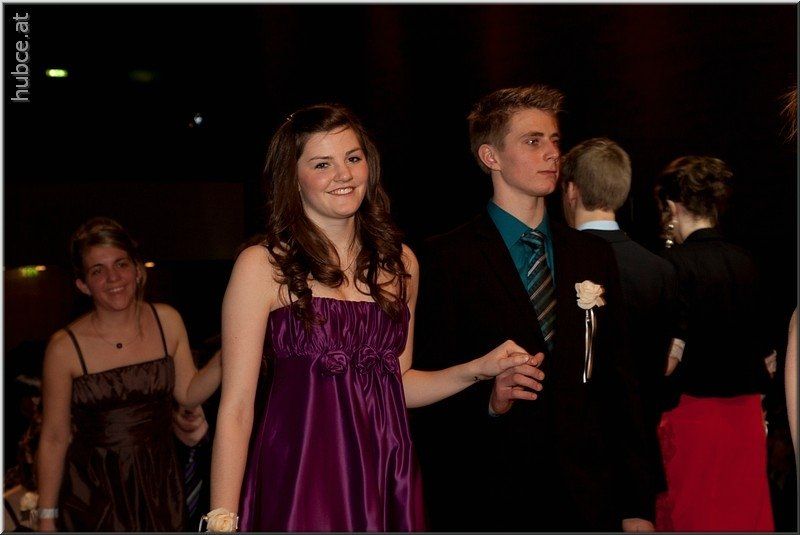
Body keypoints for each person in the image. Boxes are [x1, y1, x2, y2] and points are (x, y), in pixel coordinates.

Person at [207, 104, 539, 532]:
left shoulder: (401, 264)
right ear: (294, 178)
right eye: (322, 164)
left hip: (385, 472)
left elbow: (398, 384)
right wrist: (221, 518)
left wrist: (478, 369)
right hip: (301, 478)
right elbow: (236, 408)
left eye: (353, 157)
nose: (343, 175)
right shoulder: (262, 265)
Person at [409, 85, 654, 531]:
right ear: (491, 156)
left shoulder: (591, 255)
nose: (552, 153)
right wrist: (489, 402)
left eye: (555, 140)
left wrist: (637, 504)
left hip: (589, 498)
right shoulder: (444, 259)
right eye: (532, 141)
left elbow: (620, 381)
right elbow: (425, 388)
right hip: (493, 498)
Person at [35, 217, 222, 531]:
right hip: (94, 492)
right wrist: (46, 518)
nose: (113, 278)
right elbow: (54, 437)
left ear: (137, 269)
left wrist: (230, 351)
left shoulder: (167, 320)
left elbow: (189, 393)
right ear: (83, 284)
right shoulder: (63, 348)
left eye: (120, 264)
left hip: (161, 482)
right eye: (98, 270)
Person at [653, 156, 774, 531]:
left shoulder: (671, 265)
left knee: (695, 517)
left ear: (672, 206)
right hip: (746, 420)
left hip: (693, 420)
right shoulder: (746, 261)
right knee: (744, 516)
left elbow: (666, 355)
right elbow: (767, 349)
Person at [560, 137, 678, 497]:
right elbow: (659, 368)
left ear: (571, 190)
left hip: (575, 460)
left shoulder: (559, 263)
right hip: (641, 452)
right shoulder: (659, 270)